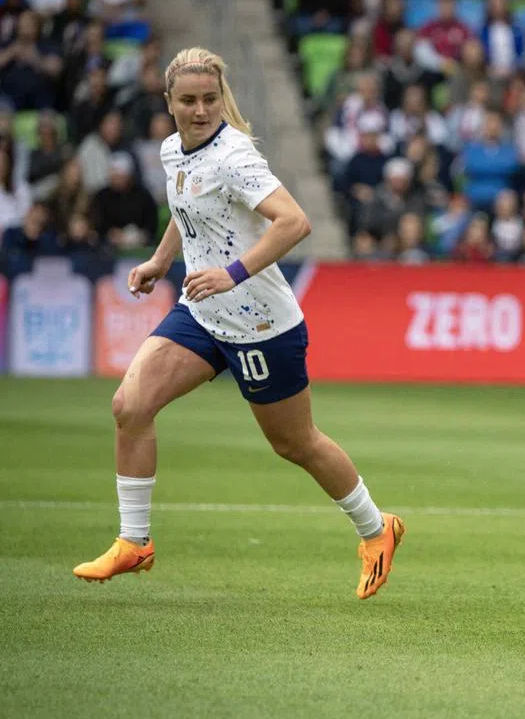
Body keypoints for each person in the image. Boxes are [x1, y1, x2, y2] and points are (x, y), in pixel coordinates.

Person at [72, 48, 405, 599]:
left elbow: (294, 222)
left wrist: (231, 273)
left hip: (260, 325)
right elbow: (189, 210)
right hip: (201, 313)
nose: (201, 110)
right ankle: (135, 542)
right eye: (189, 100)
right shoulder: (171, 150)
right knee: (129, 407)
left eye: (210, 99)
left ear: (220, 98)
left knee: (296, 444)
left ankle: (377, 529)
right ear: (168, 103)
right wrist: (160, 260)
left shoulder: (236, 157)